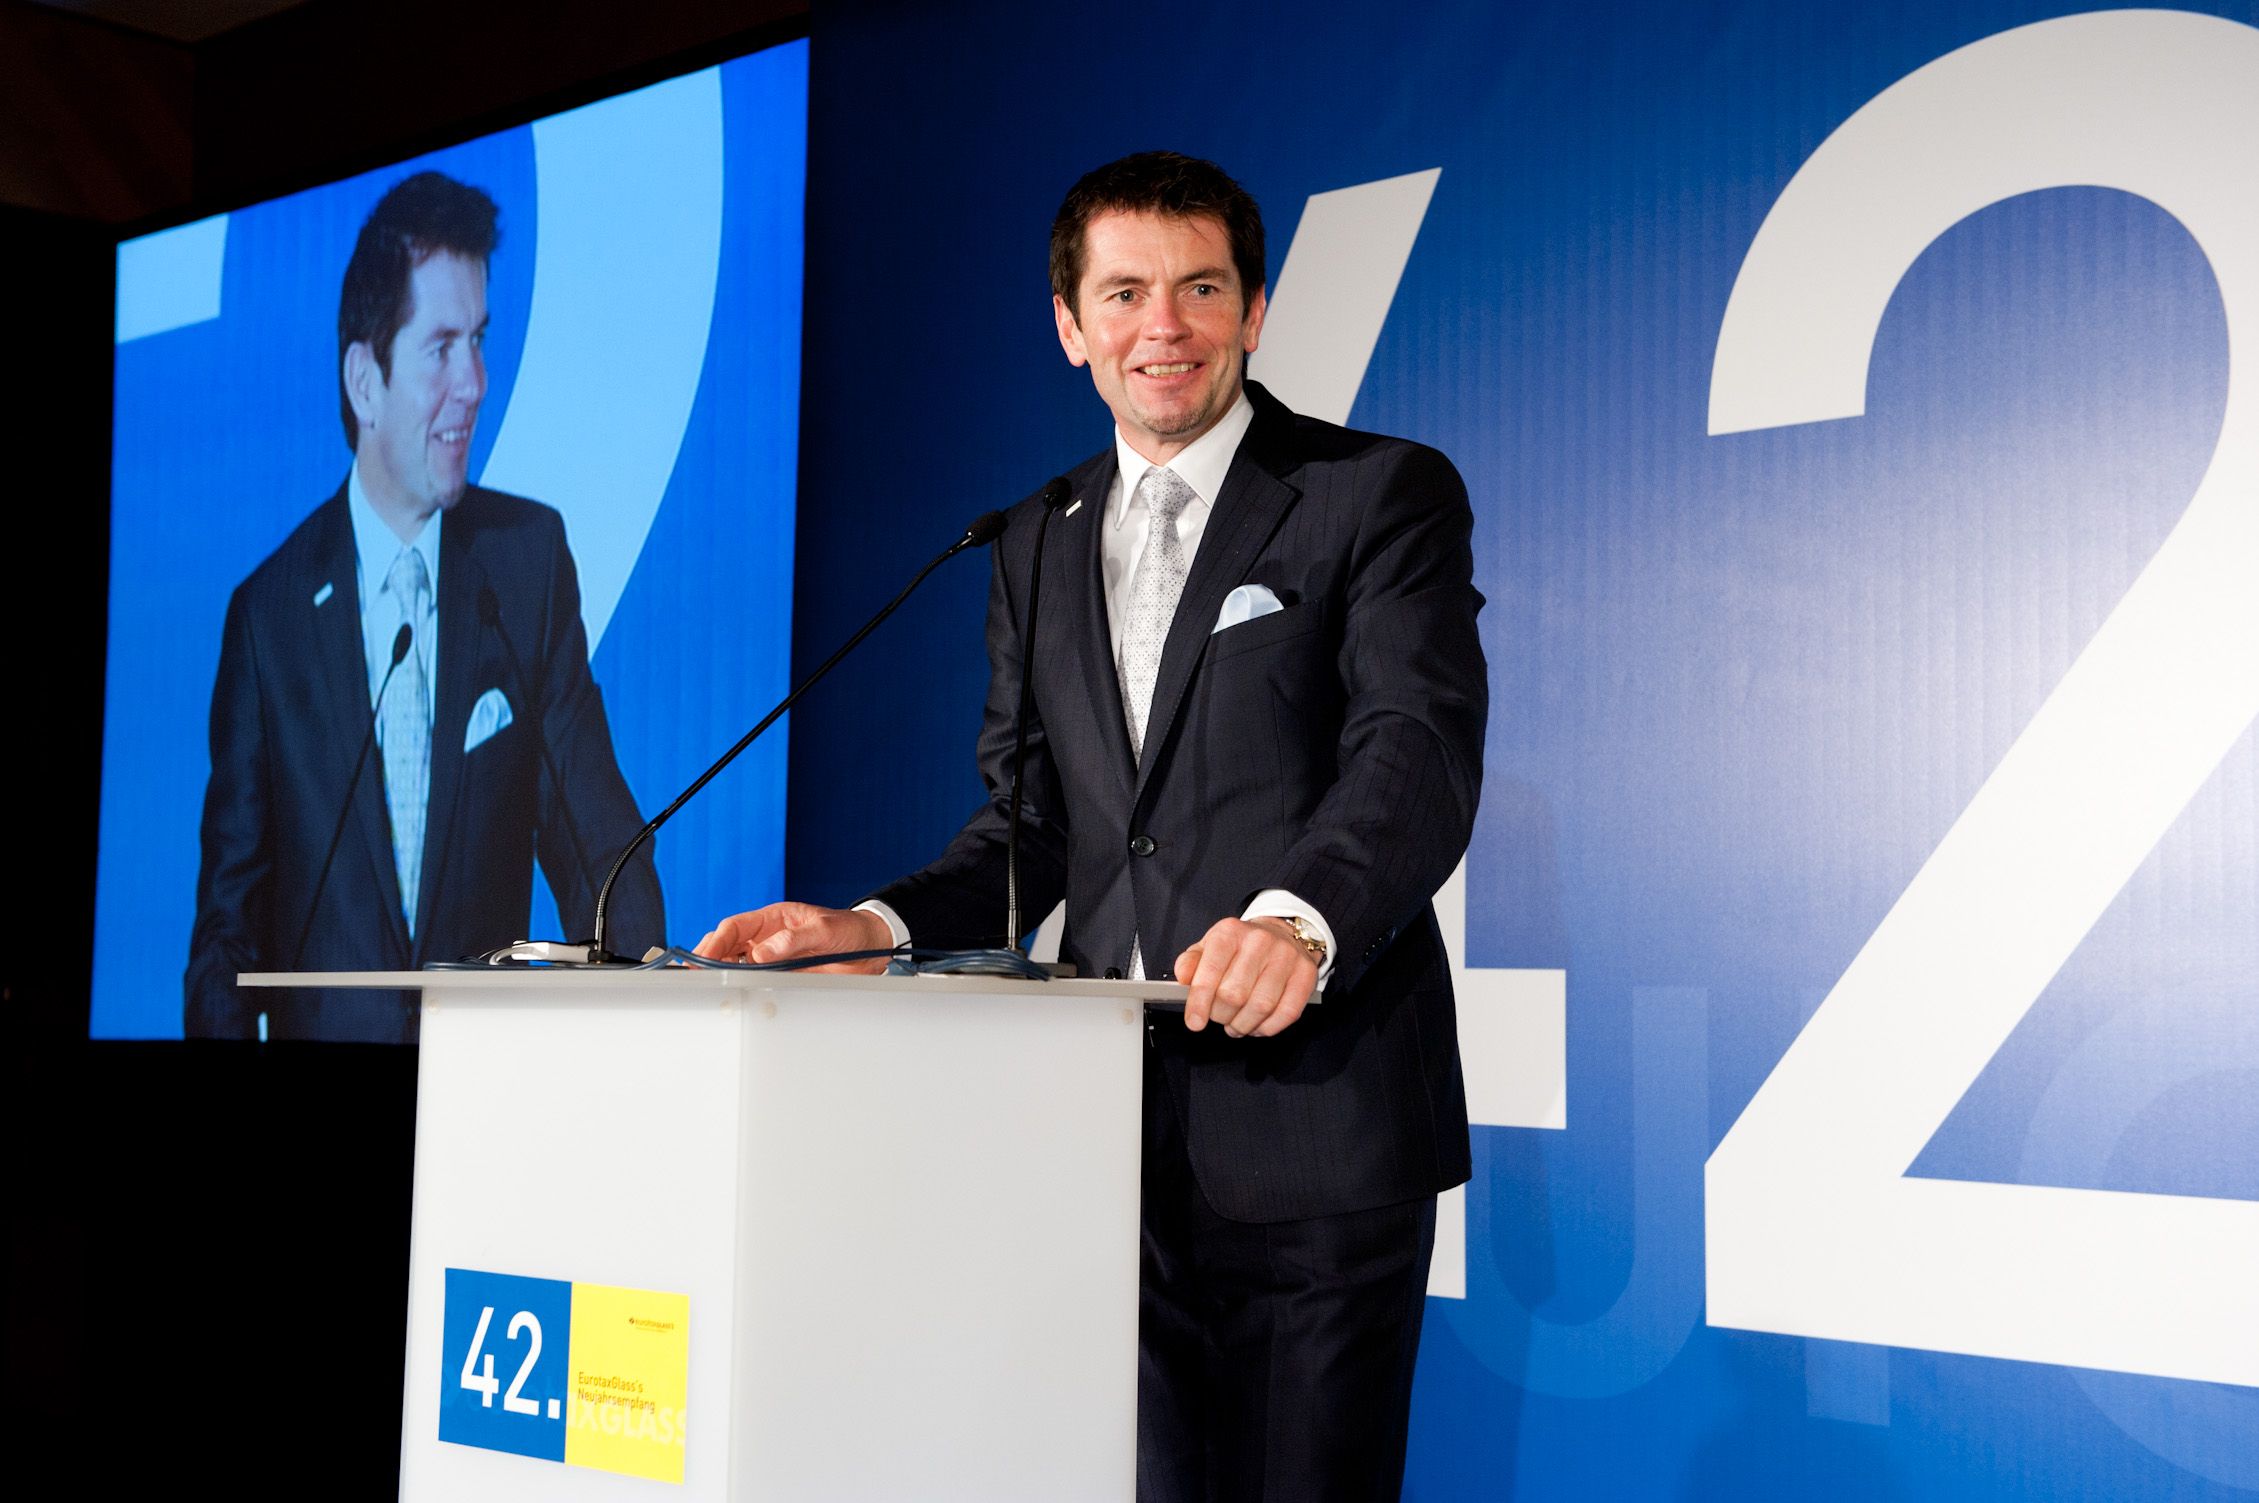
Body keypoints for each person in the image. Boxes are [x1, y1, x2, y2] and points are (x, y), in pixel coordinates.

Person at [697, 151, 1485, 1501]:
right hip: (1097, 1134)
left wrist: (1299, 921)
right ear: (1070, 325)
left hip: (1315, 1127)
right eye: (1123, 294)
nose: (1162, 326)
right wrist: (871, 925)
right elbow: (1033, 823)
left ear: (1253, 309)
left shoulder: (1376, 491)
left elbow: (1413, 749)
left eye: (1200, 288)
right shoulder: (1033, 536)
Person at [186, 171, 664, 1044]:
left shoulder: (525, 564)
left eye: (478, 340)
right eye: (441, 347)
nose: (474, 382)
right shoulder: (269, 618)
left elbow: (604, 854)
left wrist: (646, 1030)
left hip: (487, 1096)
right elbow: (227, 936)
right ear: (364, 381)